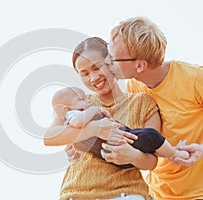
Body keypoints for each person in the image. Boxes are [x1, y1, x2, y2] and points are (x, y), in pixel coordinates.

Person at [44, 37, 160, 200]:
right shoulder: (77, 102)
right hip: (76, 193)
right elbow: (50, 137)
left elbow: (152, 161)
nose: (93, 78)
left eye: (96, 68)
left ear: (111, 62)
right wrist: (95, 129)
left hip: (125, 193)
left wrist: (131, 155)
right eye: (84, 74)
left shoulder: (142, 103)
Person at [104, 16, 203, 199]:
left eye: (113, 58)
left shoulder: (195, 78)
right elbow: (137, 138)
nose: (107, 62)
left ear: (140, 65)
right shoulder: (135, 87)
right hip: (156, 192)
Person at [51, 86, 189, 168]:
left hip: (120, 149)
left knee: (149, 144)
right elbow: (75, 123)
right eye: (81, 99)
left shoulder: (141, 102)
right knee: (150, 136)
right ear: (66, 108)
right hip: (116, 147)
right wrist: (95, 110)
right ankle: (174, 154)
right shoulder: (73, 115)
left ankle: (172, 152)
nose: (87, 101)